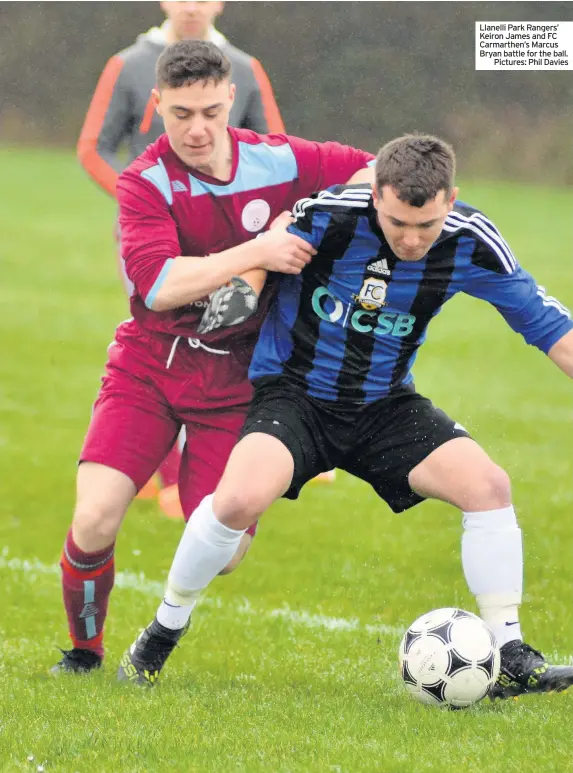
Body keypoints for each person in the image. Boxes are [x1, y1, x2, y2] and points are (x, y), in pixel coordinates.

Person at [118, 134, 573, 700]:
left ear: (450, 200)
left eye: (425, 225)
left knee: (488, 486)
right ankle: (163, 631)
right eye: (397, 222)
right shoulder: (330, 217)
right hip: (295, 398)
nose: (411, 239)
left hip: (384, 406)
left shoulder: (470, 243)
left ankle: (511, 655)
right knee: (235, 501)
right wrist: (257, 267)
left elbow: (549, 327)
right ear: (375, 192)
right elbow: (264, 253)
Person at [52, 39, 375, 675]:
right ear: (156, 106)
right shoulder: (144, 181)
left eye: (208, 111)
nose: (196, 130)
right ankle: (85, 654)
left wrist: (309, 218)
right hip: (149, 365)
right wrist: (260, 249)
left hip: (237, 378)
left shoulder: (280, 162)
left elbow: (373, 170)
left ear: (231, 99)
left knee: (224, 553)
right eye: (180, 115)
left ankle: (162, 608)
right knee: (93, 518)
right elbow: (158, 284)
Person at [77, 1, 286, 519]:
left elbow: (275, 149)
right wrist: (141, 201)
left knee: (218, 340)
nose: (191, 4)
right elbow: (92, 149)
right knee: (158, 333)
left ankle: (229, 458)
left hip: (227, 240)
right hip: (149, 234)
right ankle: (158, 471)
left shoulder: (244, 66)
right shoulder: (127, 63)